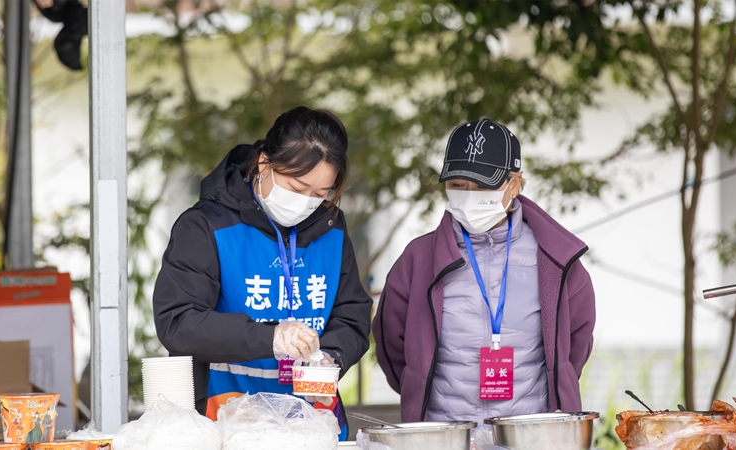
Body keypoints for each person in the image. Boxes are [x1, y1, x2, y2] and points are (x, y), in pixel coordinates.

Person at [153, 106, 372, 439]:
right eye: (297, 188)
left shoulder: (331, 229)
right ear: (264, 163)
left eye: (319, 194)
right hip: (227, 423)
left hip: (314, 428)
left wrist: (331, 356)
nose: (307, 203)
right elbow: (178, 322)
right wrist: (271, 337)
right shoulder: (206, 226)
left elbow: (352, 314)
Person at [373, 119, 596, 425]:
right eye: (458, 185)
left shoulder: (555, 260)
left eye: (482, 186)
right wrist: (417, 386)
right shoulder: (419, 258)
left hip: (528, 437)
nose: (469, 196)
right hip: (444, 435)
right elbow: (390, 343)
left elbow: (575, 346)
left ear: (514, 184)